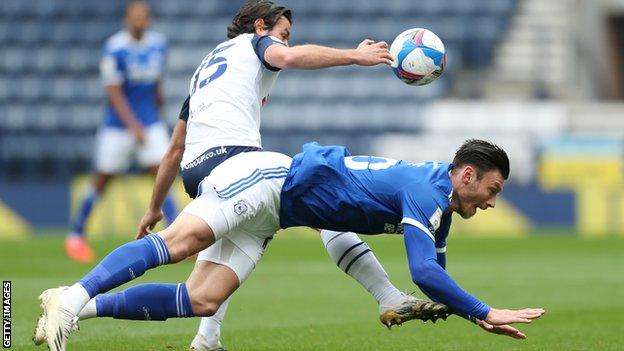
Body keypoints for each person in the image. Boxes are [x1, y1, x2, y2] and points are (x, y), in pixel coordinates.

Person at [34, 139, 545, 350]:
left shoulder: (438, 204)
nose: (493, 201)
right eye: (492, 190)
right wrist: (486, 307)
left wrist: (470, 312)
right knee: (180, 241)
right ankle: (74, 296)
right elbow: (426, 275)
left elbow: (439, 275)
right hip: (266, 180)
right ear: (469, 175)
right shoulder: (426, 192)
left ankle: (76, 307)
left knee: (202, 299)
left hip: (277, 212)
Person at [134, 1, 417, 349]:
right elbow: (289, 58)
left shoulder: (207, 73)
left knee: (220, 262)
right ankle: (388, 296)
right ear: (259, 27)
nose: (284, 42)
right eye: (283, 34)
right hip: (234, 160)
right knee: (322, 203)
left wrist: (153, 208)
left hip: (198, 173)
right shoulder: (257, 45)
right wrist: (355, 56)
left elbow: (174, 150)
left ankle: (206, 339)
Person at [65, 0, 178, 263]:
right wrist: (133, 126)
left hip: (150, 123)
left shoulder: (158, 44)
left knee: (161, 175)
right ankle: (76, 236)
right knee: (103, 178)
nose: (139, 21)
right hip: (118, 126)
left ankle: (175, 237)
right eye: (134, 16)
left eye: (143, 17)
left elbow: (156, 82)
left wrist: (158, 105)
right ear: (127, 19)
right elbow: (114, 93)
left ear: (148, 20)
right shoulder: (115, 48)